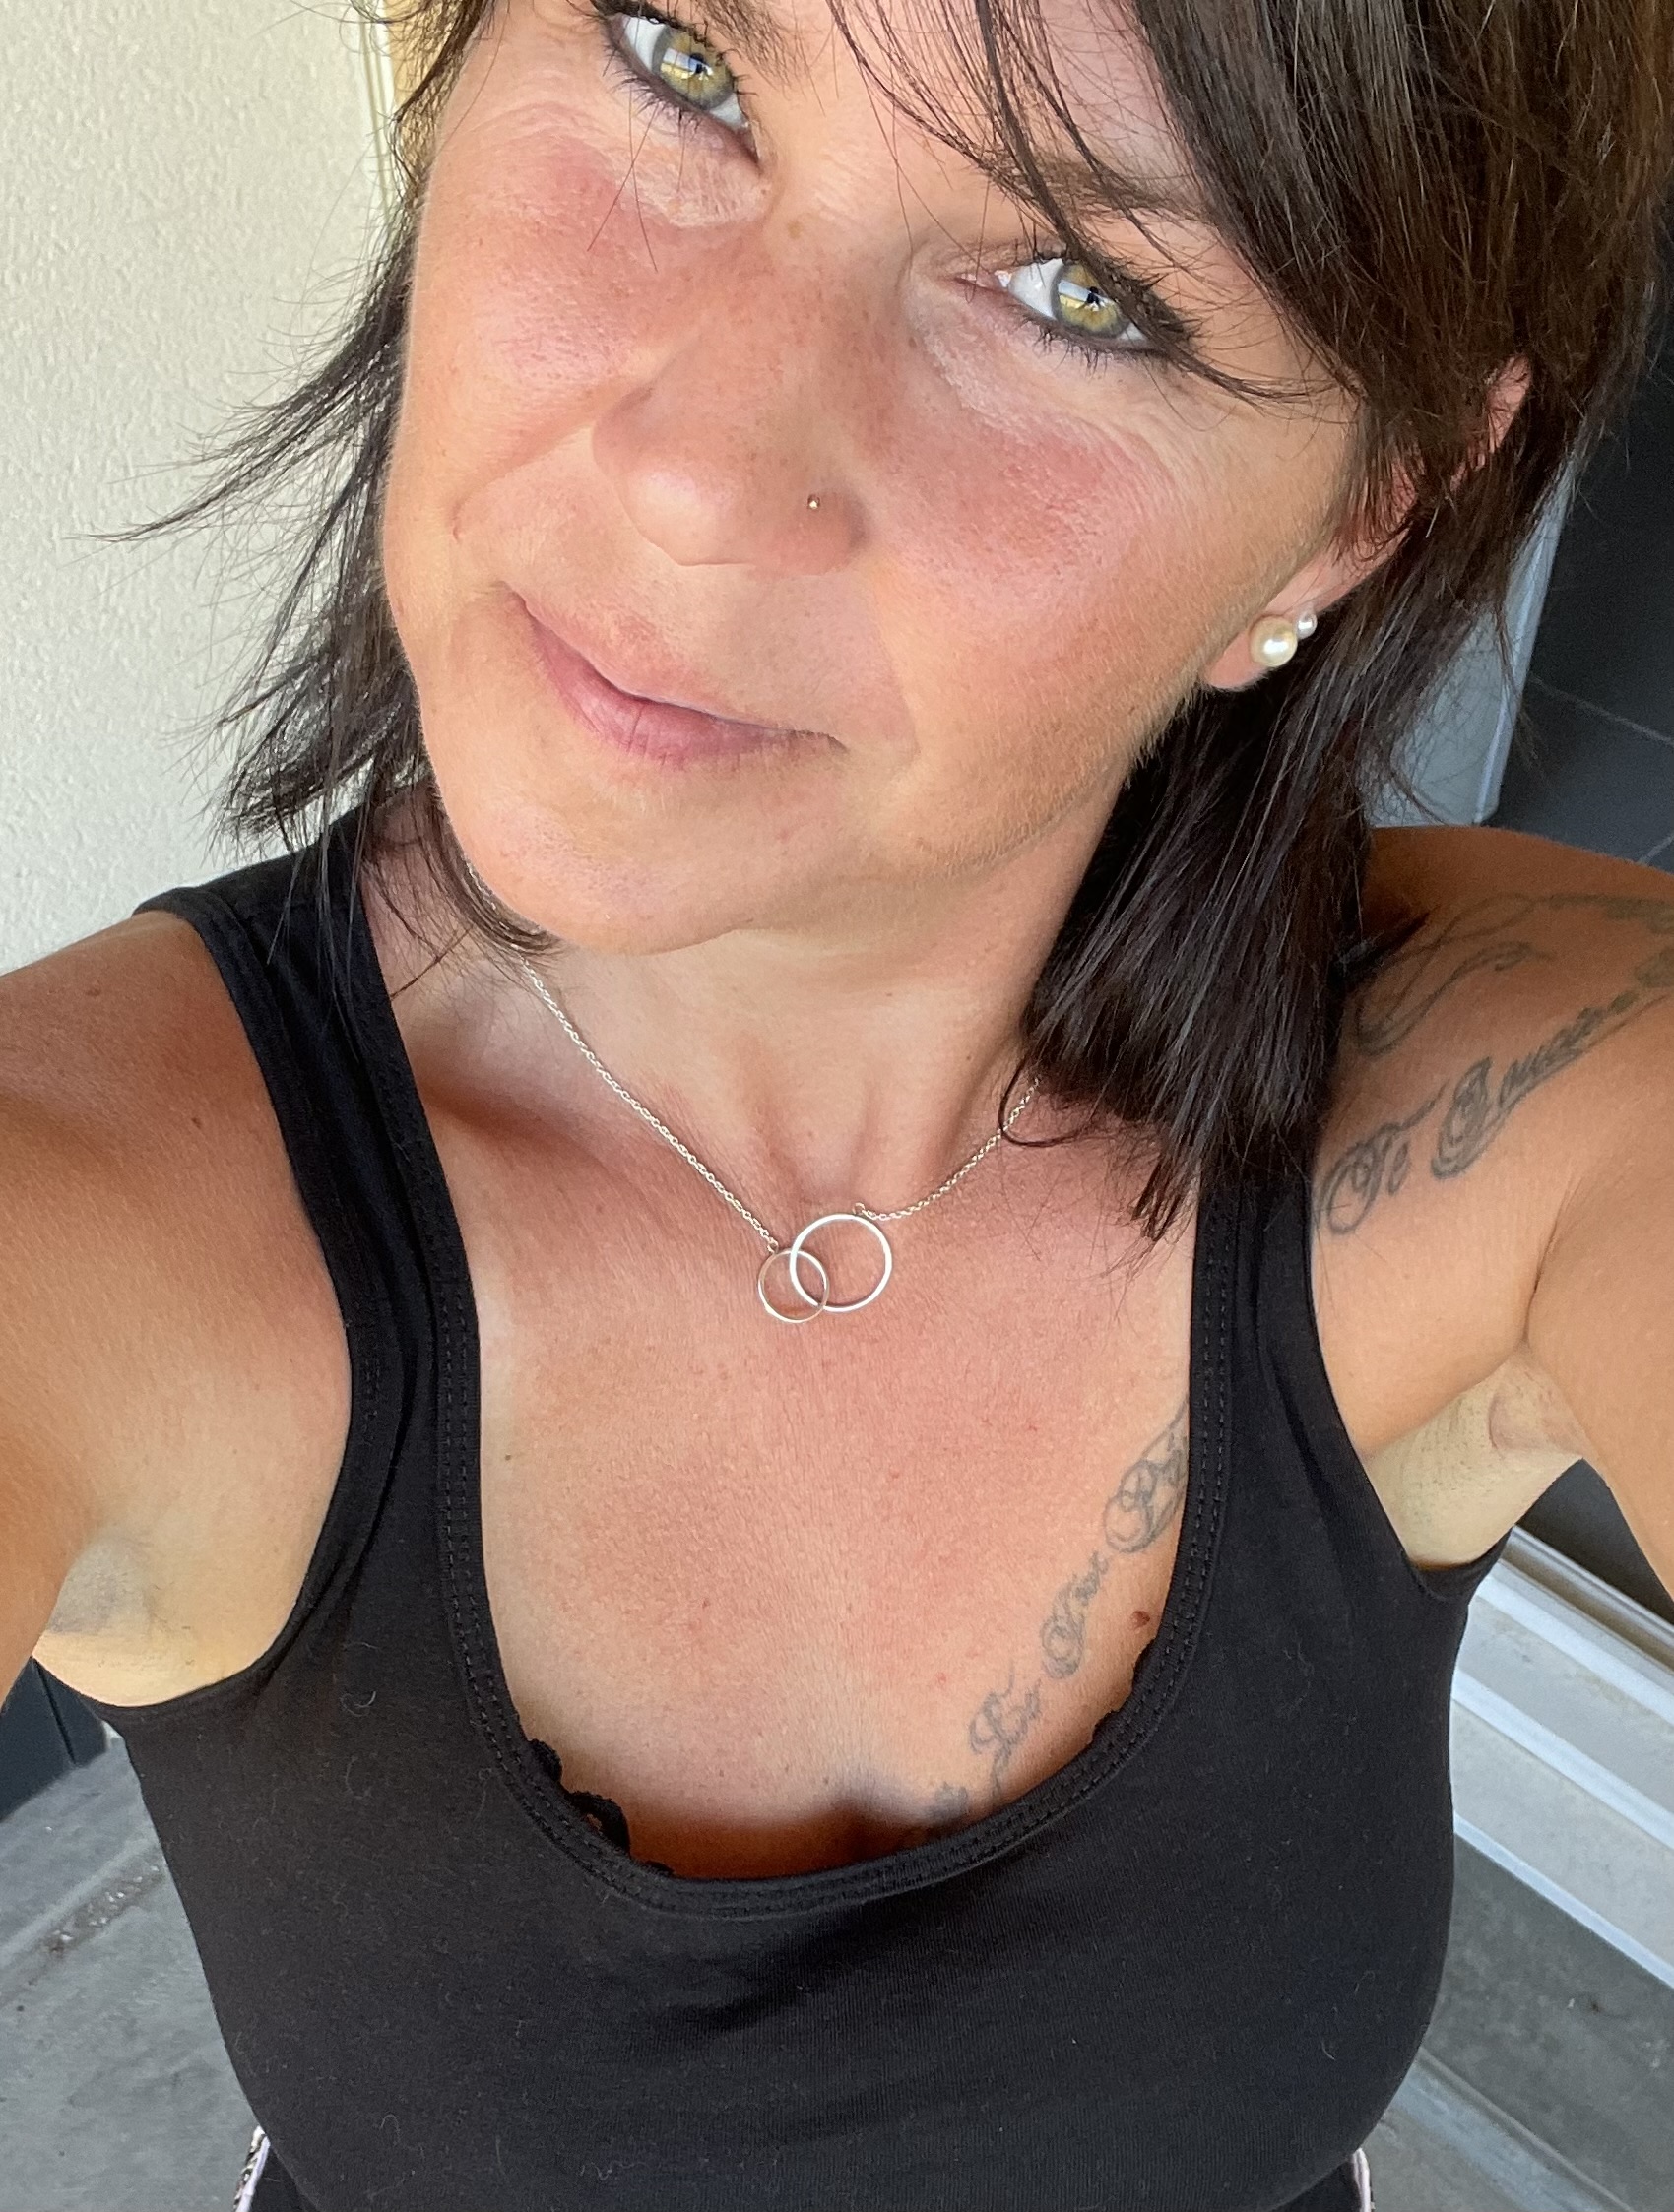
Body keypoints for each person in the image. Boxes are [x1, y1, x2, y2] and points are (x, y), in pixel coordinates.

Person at [4, 0, 1671, 2205]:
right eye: (679, 60)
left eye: (1081, 288)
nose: (696, 473)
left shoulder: (1535, 1101)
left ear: (1357, 516)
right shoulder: (76, 1208)